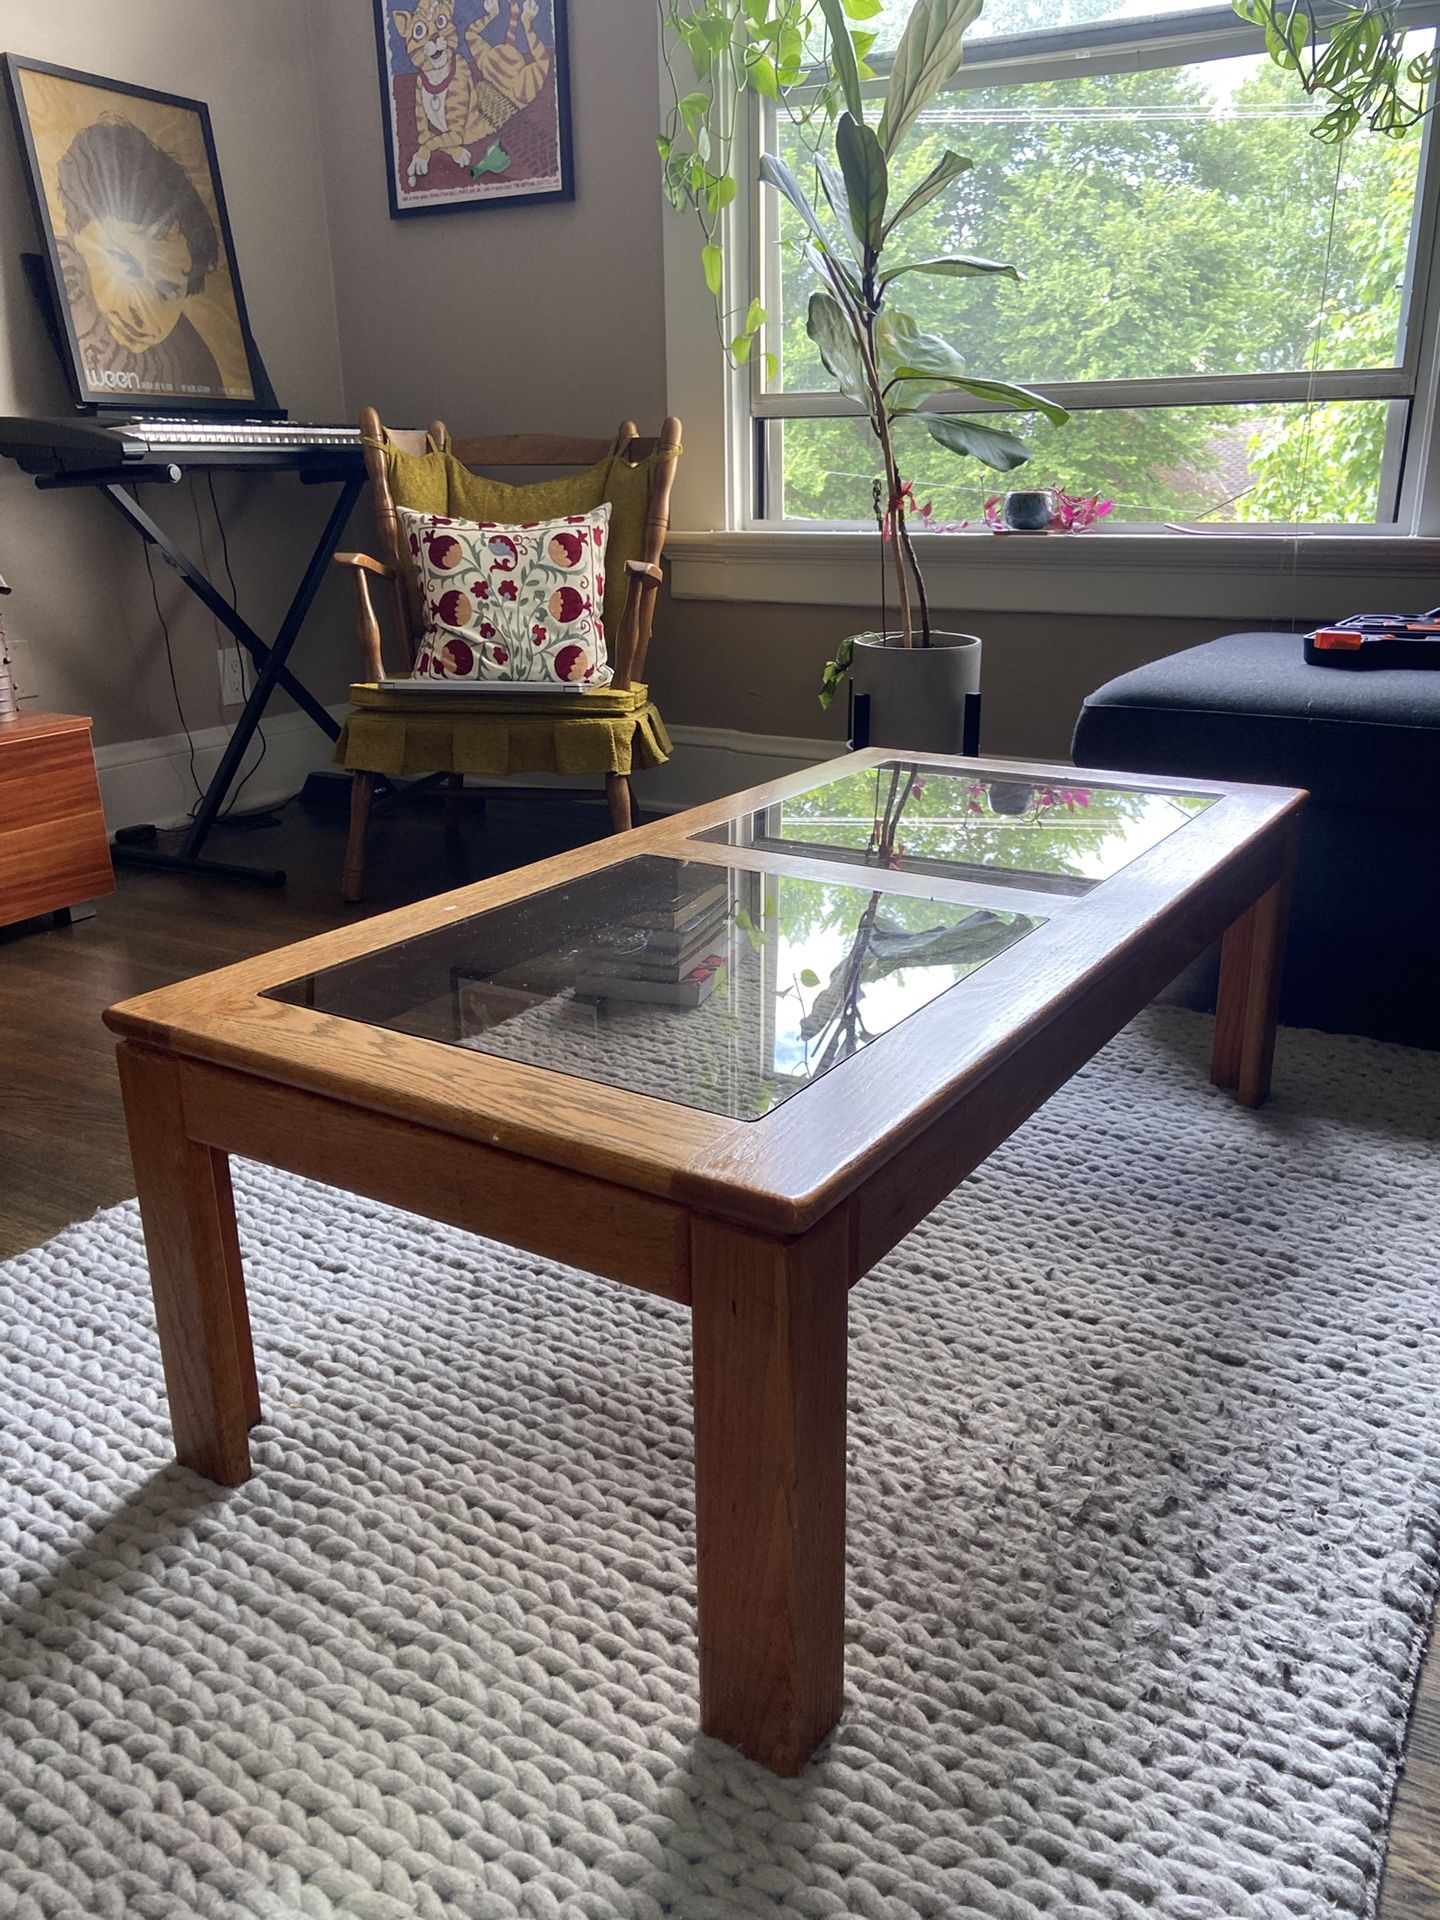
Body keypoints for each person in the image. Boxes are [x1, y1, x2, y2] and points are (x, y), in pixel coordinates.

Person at [55, 117, 226, 398]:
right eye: (127, 264)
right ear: (79, 236)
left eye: (168, 292)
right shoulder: (62, 276)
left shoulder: (196, 369)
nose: (143, 314)